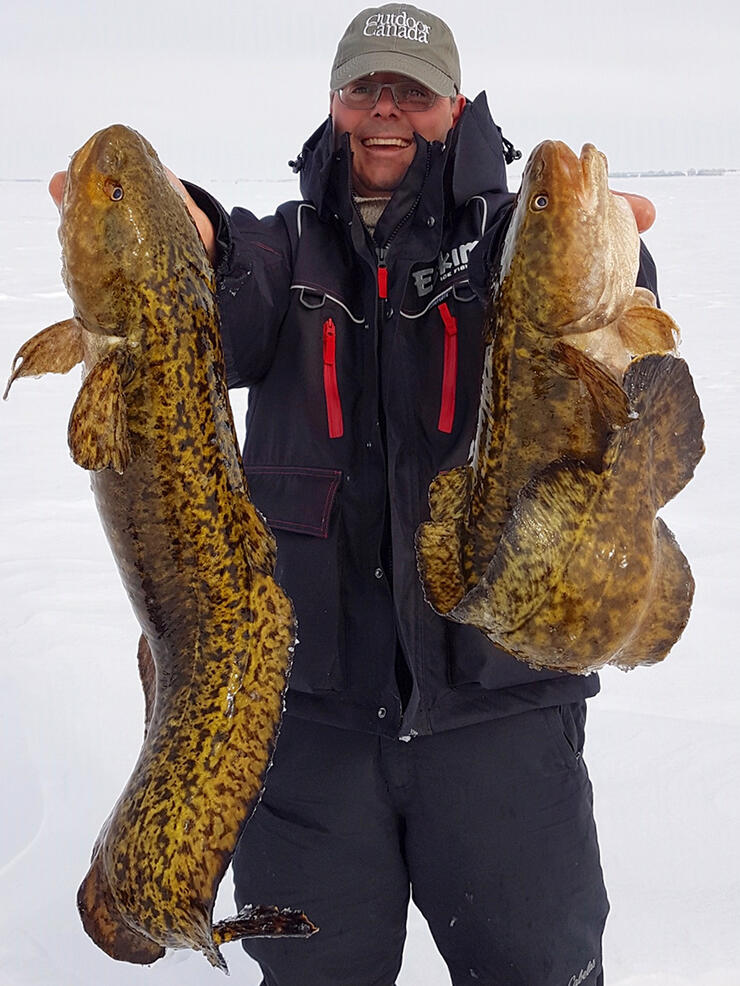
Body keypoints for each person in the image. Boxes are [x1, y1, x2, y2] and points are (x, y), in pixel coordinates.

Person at [51, 6, 657, 984]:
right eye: (360, 89)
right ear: (332, 105)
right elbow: (228, 284)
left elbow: (595, 322)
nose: (384, 110)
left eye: (410, 92)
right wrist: (192, 234)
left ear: (452, 108)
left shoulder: (508, 234)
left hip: (501, 714)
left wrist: (605, 271)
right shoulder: (286, 247)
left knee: (539, 968)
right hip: (315, 728)